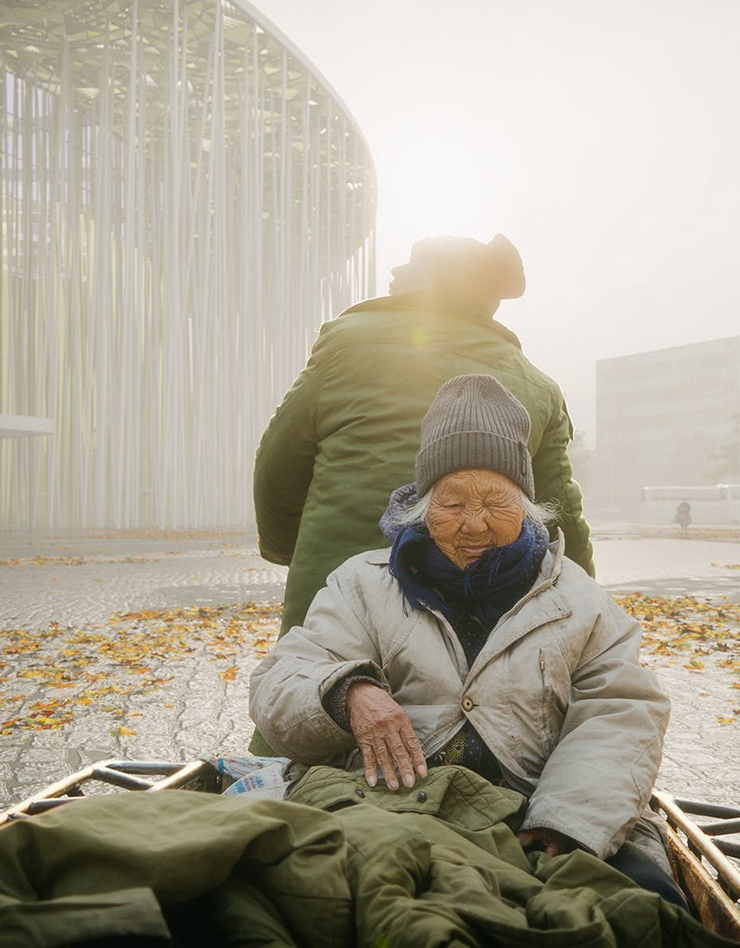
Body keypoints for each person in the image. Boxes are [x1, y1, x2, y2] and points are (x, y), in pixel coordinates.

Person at [250, 375, 681, 907]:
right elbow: (281, 681)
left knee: (641, 904)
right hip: (387, 809)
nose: (474, 525)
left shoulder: (579, 601)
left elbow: (621, 713)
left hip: (533, 815)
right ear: (422, 504)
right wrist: (348, 694)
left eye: (496, 503)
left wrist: (565, 820)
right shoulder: (361, 584)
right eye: (452, 503)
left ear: (526, 504)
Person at [254, 233, 594, 641]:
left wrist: (289, 550)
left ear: (440, 286)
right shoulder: (537, 387)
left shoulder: (346, 346)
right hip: (483, 628)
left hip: (335, 614)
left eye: (412, 265)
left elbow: (278, 469)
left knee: (320, 678)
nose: (395, 270)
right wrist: (586, 618)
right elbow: (561, 522)